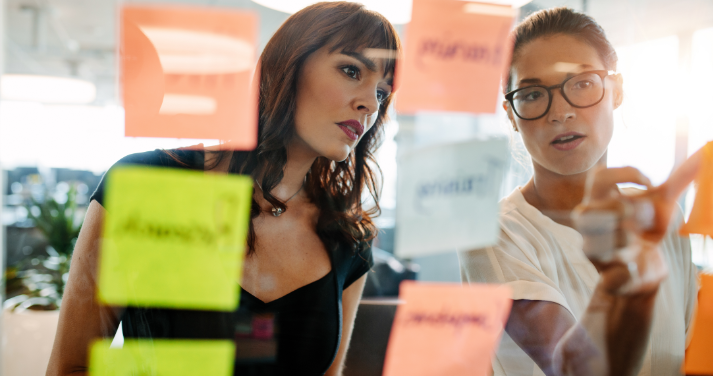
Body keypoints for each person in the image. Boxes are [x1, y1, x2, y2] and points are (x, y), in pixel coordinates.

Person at [46, 2, 399, 375]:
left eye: (381, 92)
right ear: (289, 65)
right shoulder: (148, 185)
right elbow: (71, 367)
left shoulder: (347, 239)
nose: (367, 104)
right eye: (351, 70)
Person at [458, 7, 698, 376]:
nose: (561, 112)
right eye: (533, 93)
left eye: (583, 83)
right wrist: (624, 284)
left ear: (616, 90)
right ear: (511, 113)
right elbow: (574, 370)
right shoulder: (492, 234)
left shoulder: (664, 222)